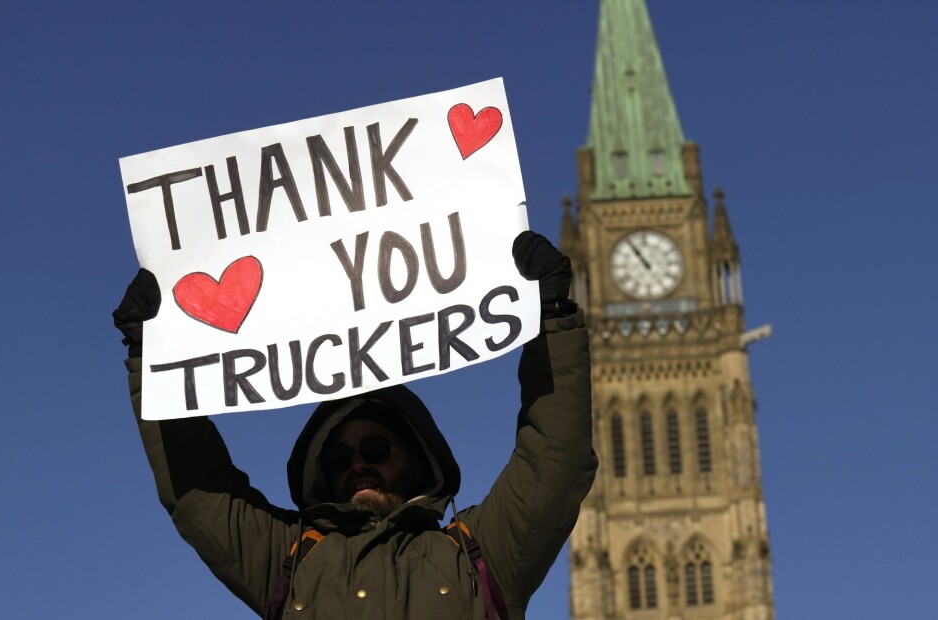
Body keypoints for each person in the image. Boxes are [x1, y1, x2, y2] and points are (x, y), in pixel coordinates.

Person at [114, 231, 597, 619]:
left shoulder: (478, 555)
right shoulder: (288, 561)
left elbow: (555, 460)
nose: (358, 465)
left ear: (414, 453)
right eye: (339, 457)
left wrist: (552, 323)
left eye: (375, 449)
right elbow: (199, 493)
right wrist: (154, 361)